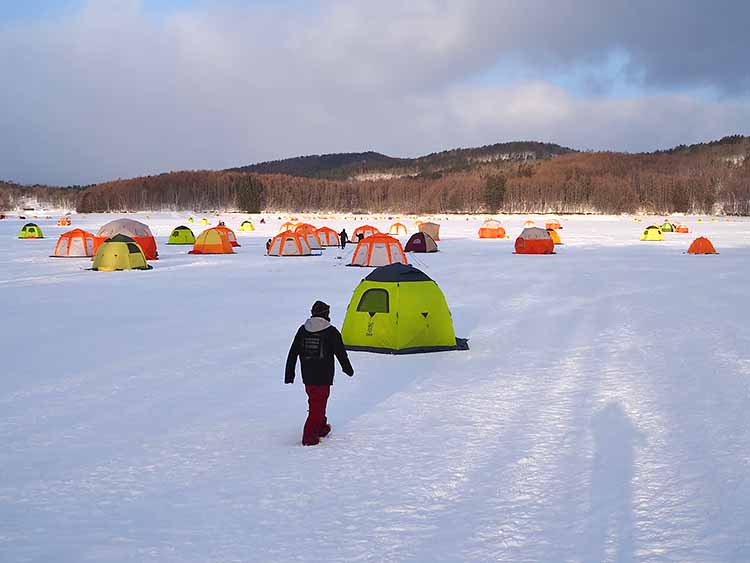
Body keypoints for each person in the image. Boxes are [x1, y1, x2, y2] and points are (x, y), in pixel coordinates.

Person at [285, 300, 354, 446]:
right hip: (323, 376)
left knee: (316, 402)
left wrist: (289, 374)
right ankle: (309, 437)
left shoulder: (303, 330)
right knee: (318, 404)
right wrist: (347, 368)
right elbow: (341, 353)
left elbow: (292, 354)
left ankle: (321, 428)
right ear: (326, 315)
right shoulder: (331, 331)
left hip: (308, 376)